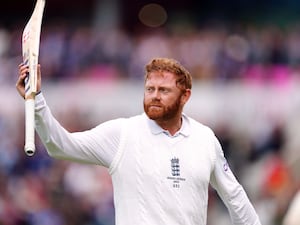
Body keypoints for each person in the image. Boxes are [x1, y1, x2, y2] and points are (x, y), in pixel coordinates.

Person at [16, 58, 261, 225]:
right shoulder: (123, 133)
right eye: (150, 89)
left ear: (185, 96)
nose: (154, 96)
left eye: (164, 90)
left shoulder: (205, 138)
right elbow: (60, 145)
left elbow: (235, 197)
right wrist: (36, 101)